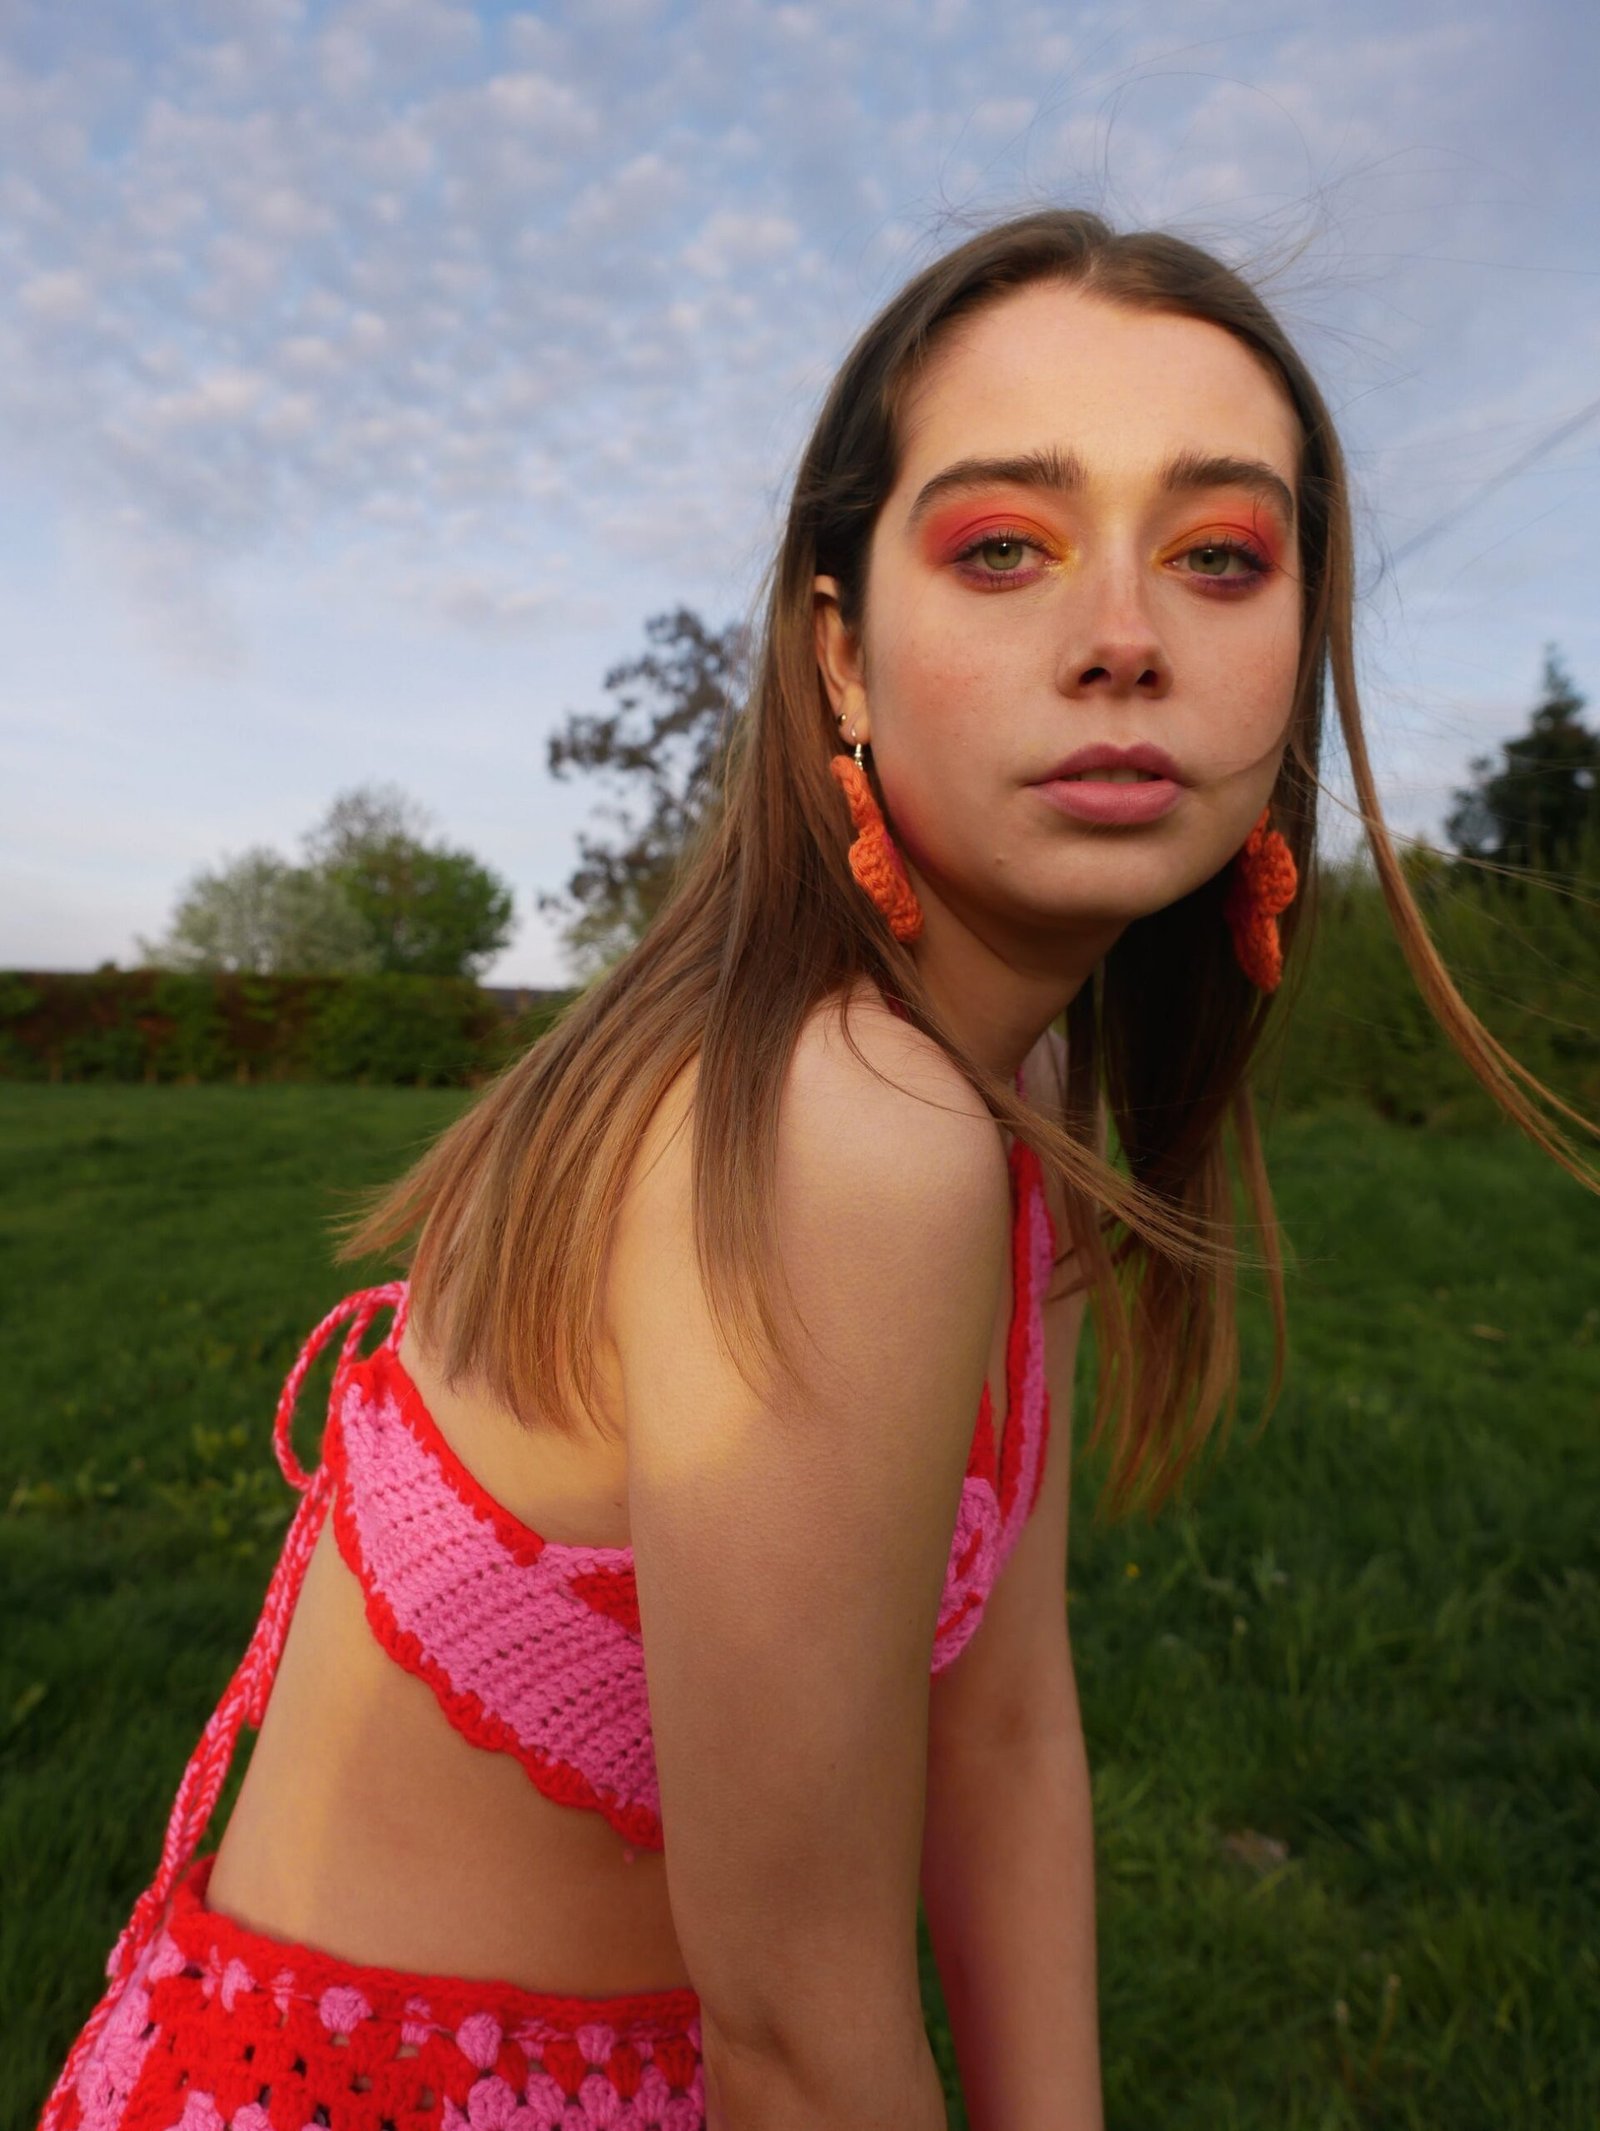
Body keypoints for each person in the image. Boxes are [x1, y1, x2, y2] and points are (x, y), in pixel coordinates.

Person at [38, 208, 1596, 2131]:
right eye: (1004, 547)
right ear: (837, 659)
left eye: (1217, 557)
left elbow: (1005, 1732)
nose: (1123, 639)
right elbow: (795, 2036)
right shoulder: (840, 1123)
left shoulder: (1005, 1086)